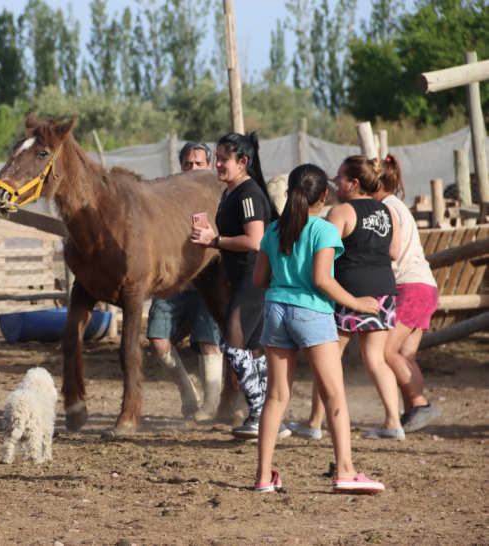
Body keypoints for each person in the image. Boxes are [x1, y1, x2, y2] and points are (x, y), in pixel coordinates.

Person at [252, 163, 384, 495]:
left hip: (275, 310)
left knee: (276, 396)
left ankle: (264, 477)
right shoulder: (323, 230)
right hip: (311, 314)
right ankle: (345, 471)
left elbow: (258, 280)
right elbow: (323, 280)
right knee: (333, 394)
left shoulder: (272, 231)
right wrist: (358, 303)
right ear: (323, 195)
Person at [291, 155, 403, 440]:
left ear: (353, 183)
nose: (335, 181)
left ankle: (314, 423)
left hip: (348, 291)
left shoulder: (341, 212)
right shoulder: (387, 211)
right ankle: (393, 422)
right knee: (376, 360)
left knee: (326, 358)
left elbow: (324, 251)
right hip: (383, 291)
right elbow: (394, 252)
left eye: (339, 176)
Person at [191, 132, 289, 440]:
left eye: (223, 159)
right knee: (253, 350)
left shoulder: (247, 193)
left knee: (232, 347)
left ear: (242, 162)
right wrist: (210, 233)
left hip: (253, 279)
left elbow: (255, 240)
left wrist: (215, 240)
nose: (217, 164)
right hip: (244, 279)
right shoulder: (231, 192)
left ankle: (261, 414)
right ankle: (273, 418)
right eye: (216, 158)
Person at [147, 142, 224, 421]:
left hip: (207, 282)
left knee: (208, 341)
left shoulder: (219, 196)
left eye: (198, 164)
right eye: (187, 164)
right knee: (157, 340)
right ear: (180, 166)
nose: (192, 169)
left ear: (209, 166)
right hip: (172, 282)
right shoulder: (166, 198)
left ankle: (212, 404)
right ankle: (187, 392)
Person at [371, 155, 441, 432]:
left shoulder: (387, 209)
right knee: (404, 353)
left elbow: (392, 251)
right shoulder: (395, 205)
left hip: (410, 287)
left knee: (388, 351)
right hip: (423, 286)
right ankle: (415, 410)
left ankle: (421, 405)